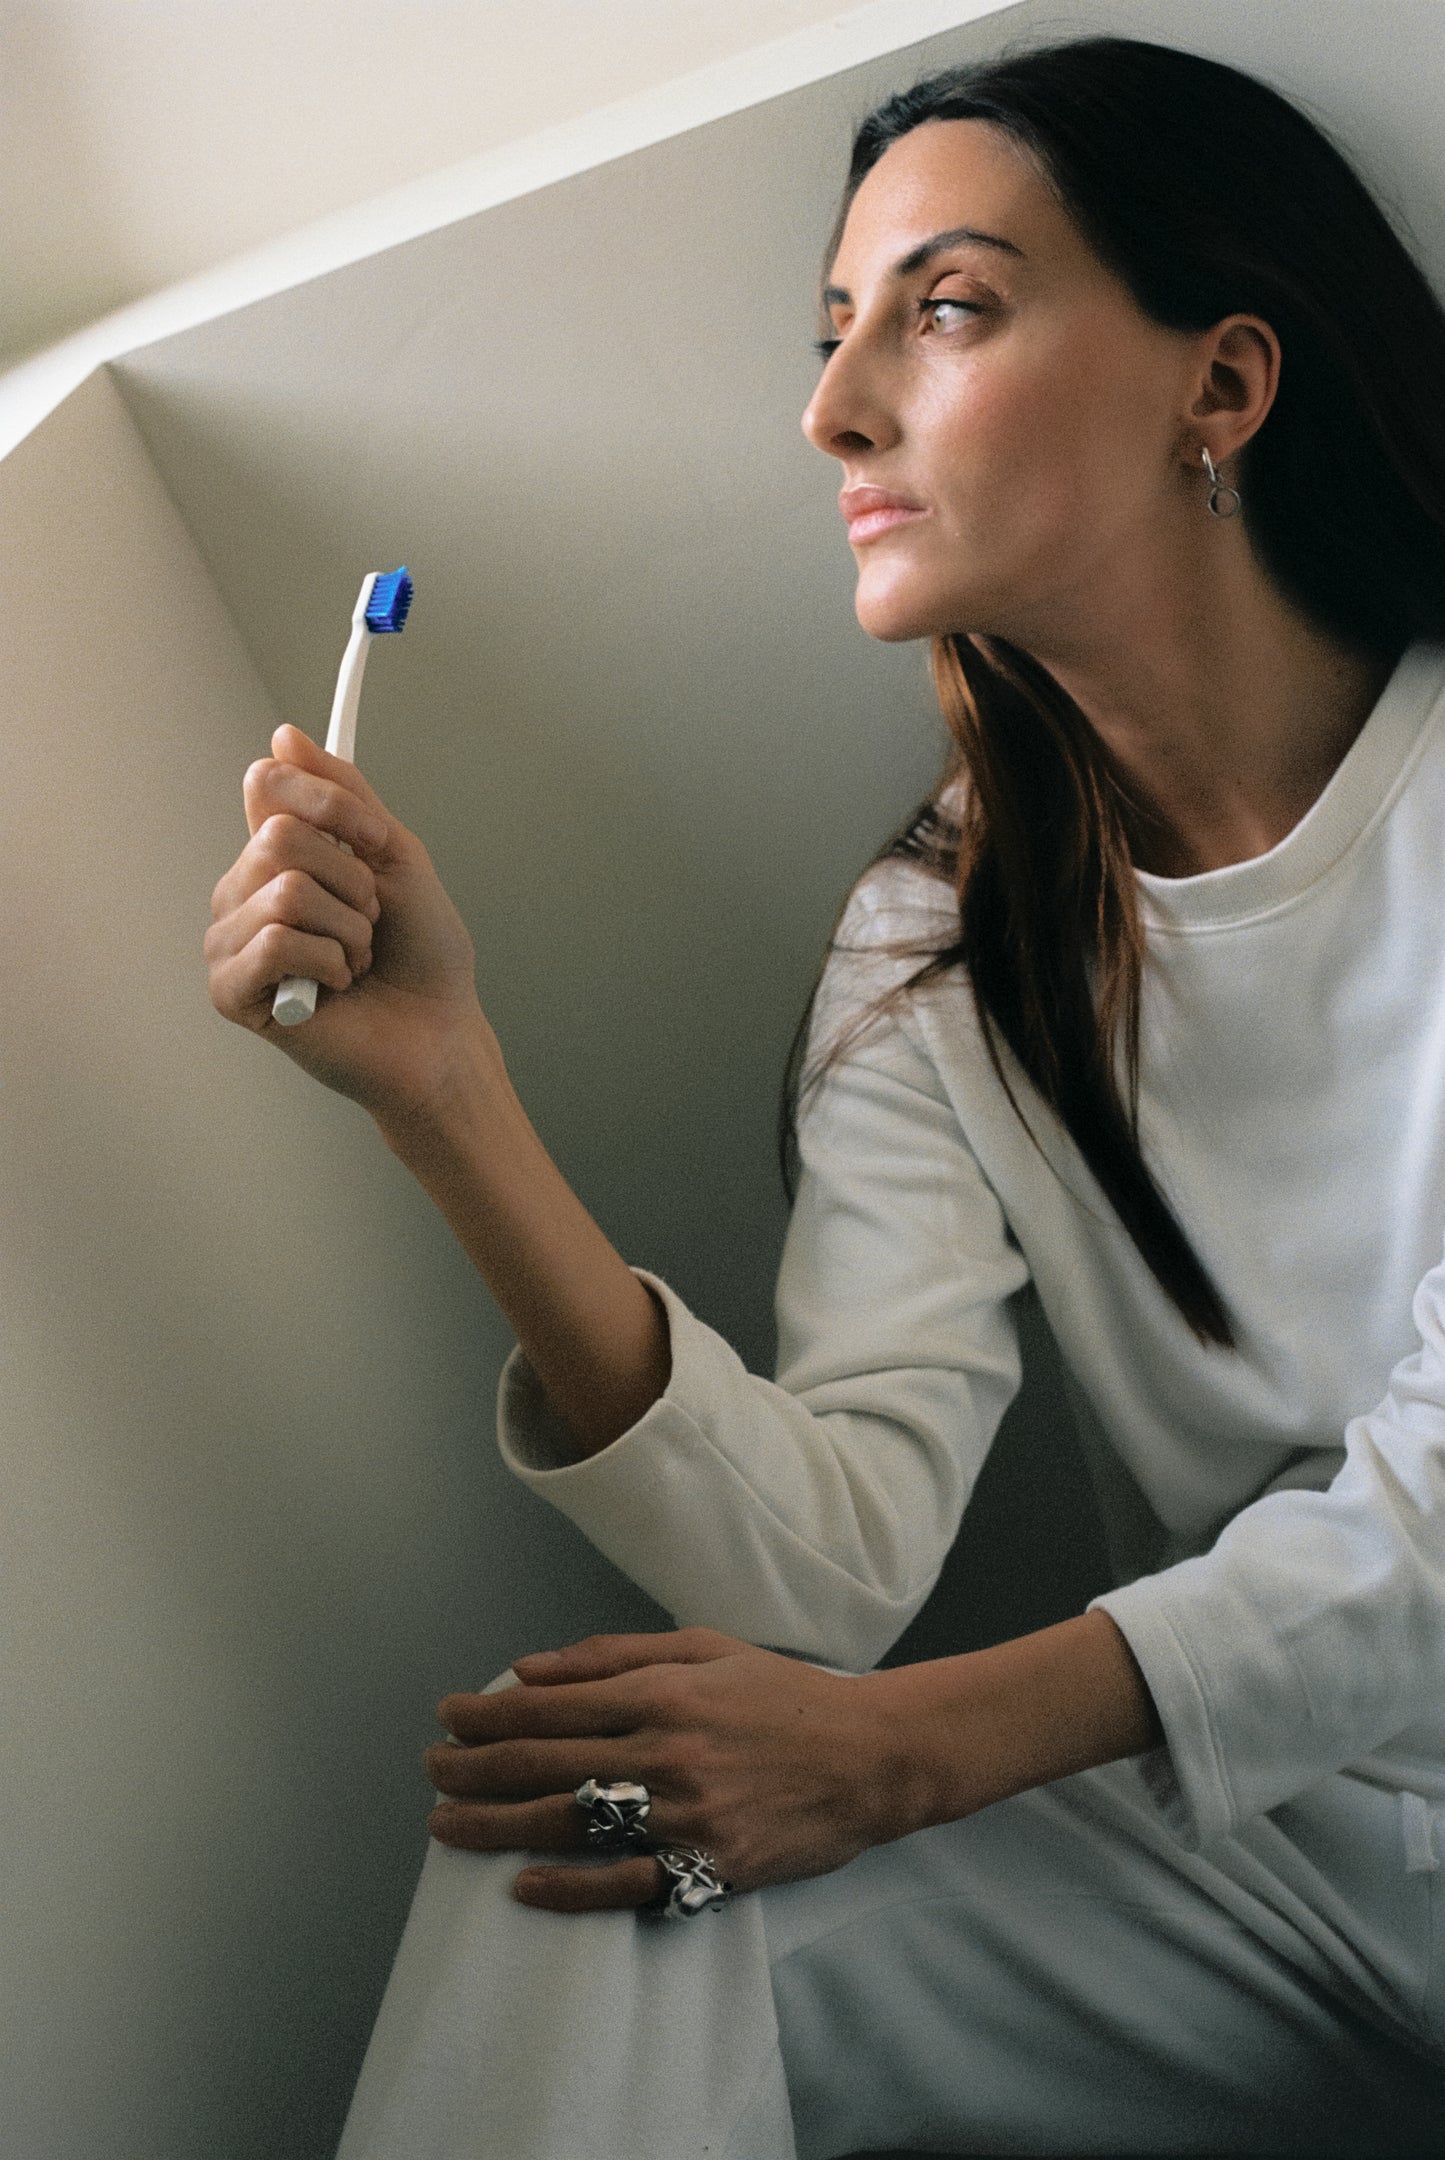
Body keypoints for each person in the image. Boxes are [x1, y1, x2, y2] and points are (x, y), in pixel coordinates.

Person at [204, 33, 1445, 2159]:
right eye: (832, 330)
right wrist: (446, 1095)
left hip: (1192, 1756)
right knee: (583, 1844)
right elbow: (826, 1573)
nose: (833, 405)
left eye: (944, 308)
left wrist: (903, 1755)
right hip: (1257, 1865)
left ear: (1221, 389)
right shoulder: (943, 940)